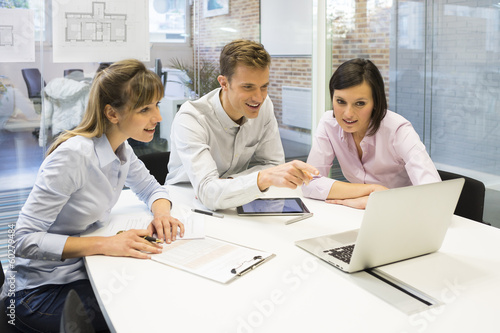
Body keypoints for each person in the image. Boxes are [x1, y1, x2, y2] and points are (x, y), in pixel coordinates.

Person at [1, 59, 184, 332]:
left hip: (80, 272)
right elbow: (21, 240)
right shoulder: (73, 156)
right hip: (37, 293)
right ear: (112, 114)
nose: (157, 117)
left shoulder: (121, 148)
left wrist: (162, 214)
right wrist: (106, 244)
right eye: (145, 108)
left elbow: (151, 188)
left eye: (156, 105)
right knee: (136, 318)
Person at [166, 39, 318, 210]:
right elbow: (208, 192)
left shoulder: (264, 105)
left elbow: (273, 165)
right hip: (184, 204)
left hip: (236, 199)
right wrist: (260, 178)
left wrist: (233, 182)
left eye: (264, 86)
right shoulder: (192, 118)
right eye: (248, 87)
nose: (259, 97)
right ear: (224, 83)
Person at [302, 58, 441, 209]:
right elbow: (310, 182)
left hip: (403, 214)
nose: (348, 114)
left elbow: (435, 196)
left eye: (360, 103)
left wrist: (380, 200)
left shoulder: (398, 130)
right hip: (357, 212)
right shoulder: (329, 123)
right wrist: (372, 190)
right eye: (341, 101)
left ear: (376, 102)